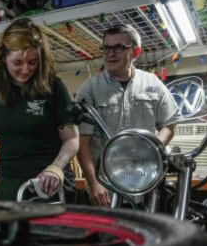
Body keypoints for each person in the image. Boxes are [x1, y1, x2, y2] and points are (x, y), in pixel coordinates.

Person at [0, 18, 79, 202]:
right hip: (8, 182)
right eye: (17, 63)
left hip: (47, 182)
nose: (26, 69)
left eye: (32, 62)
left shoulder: (53, 86)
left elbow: (72, 138)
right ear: (4, 57)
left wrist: (56, 168)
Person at [75, 23, 182, 206]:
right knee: (109, 235)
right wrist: (93, 184)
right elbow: (82, 143)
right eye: (106, 48)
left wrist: (149, 151)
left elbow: (169, 125)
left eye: (118, 47)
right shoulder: (90, 89)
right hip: (106, 190)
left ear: (136, 52)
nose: (110, 53)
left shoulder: (152, 84)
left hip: (146, 188)